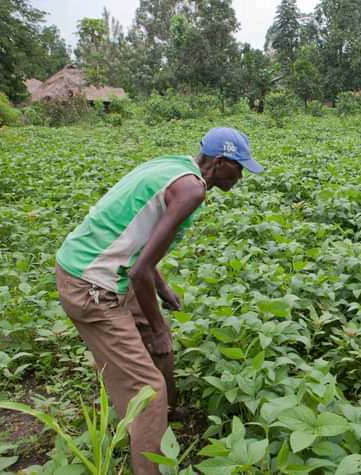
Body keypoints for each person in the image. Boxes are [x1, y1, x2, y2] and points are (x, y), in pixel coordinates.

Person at [55, 127, 263, 474]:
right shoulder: (192, 189)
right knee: (147, 389)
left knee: (159, 344)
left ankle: (163, 418)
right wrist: (158, 327)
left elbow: (143, 251)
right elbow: (140, 271)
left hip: (95, 269)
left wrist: (163, 292)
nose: (241, 176)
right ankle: (150, 456)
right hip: (93, 285)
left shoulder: (175, 166)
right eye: (239, 167)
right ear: (220, 162)